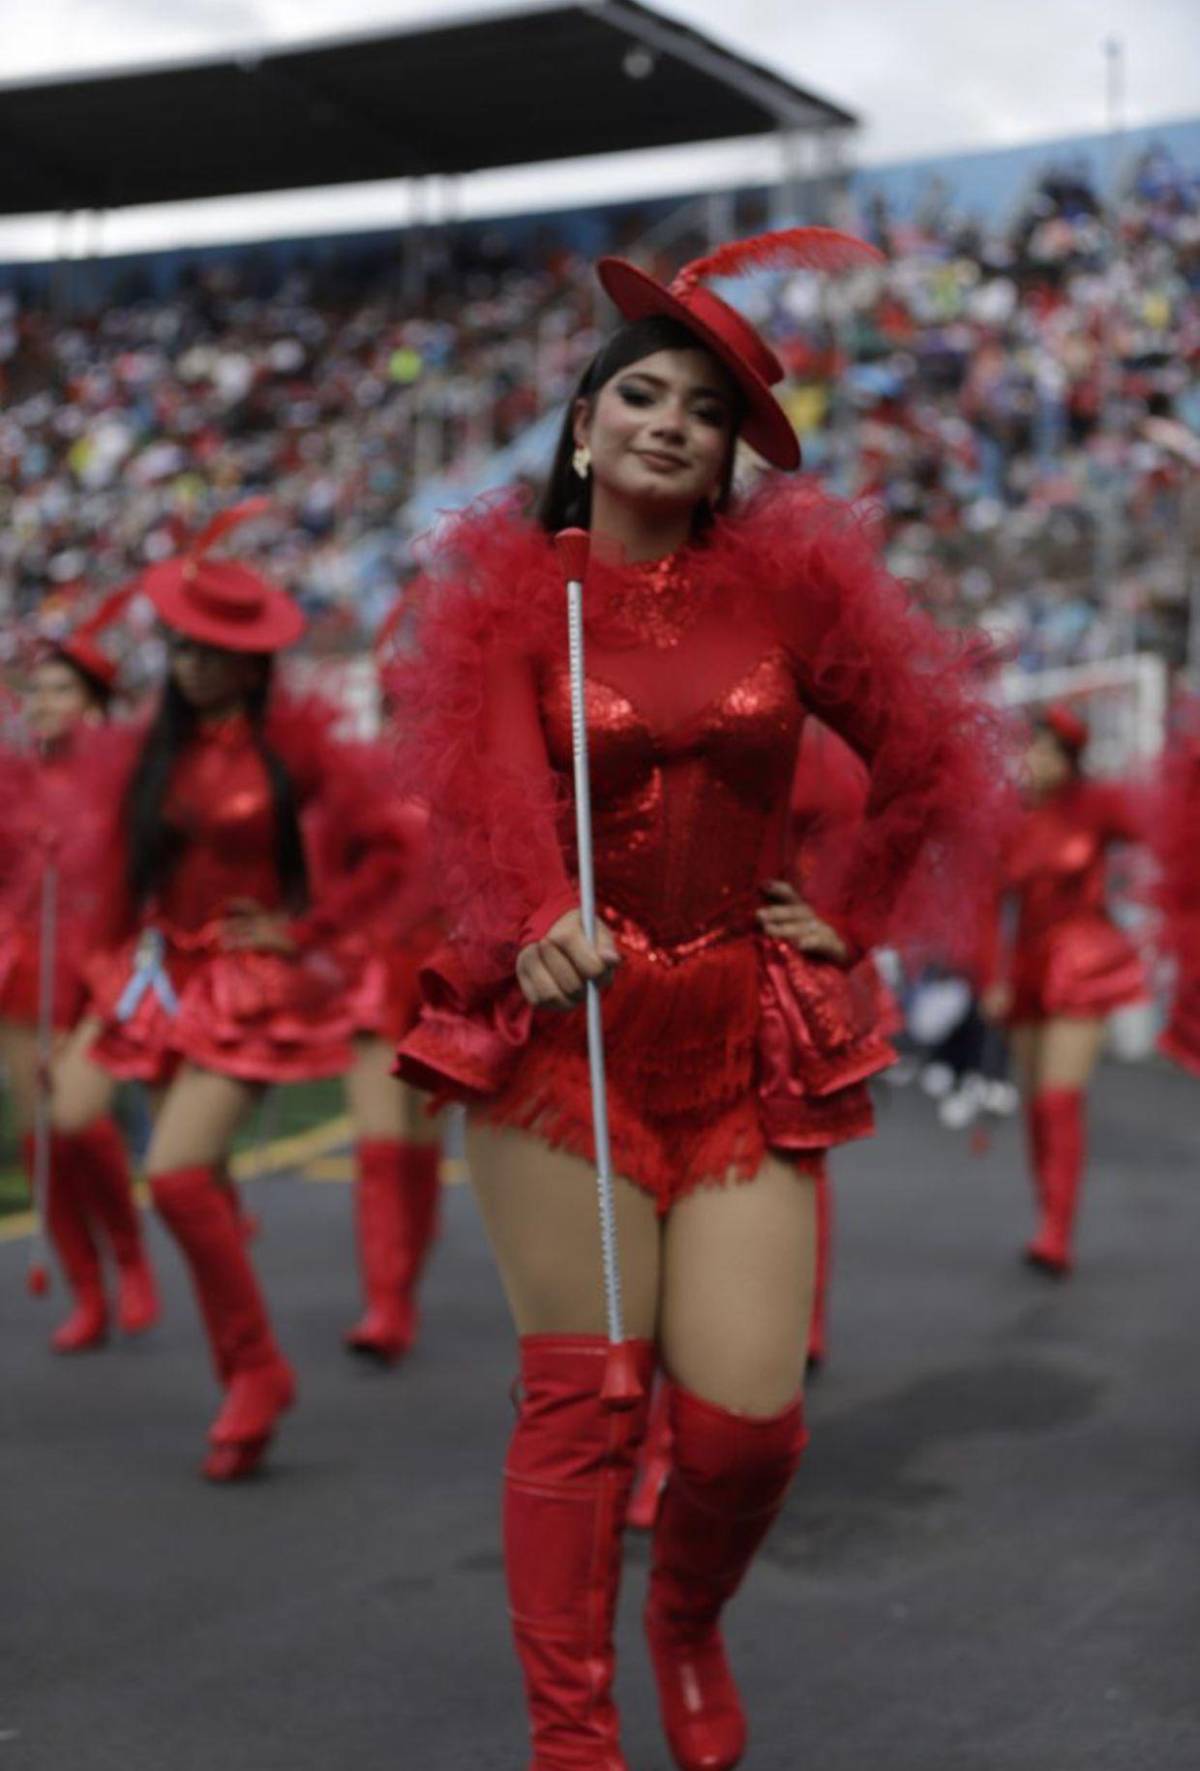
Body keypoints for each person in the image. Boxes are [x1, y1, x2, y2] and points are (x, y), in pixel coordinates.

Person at [391, 230, 1005, 1771]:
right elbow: (473, 784)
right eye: (642, 393)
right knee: (587, 1403)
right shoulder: (513, 600)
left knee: (746, 1426)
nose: (670, 420)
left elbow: (929, 753)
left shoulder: (792, 597)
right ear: (585, 424)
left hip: (741, 1033)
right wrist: (535, 910)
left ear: (730, 450)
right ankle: (573, 1740)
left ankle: (687, 1617)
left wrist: (851, 909)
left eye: (704, 408)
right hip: (566, 1041)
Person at [51, 509, 361, 1481]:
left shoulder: (295, 749)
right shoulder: (154, 754)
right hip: (161, 978)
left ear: (249, 661)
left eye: (210, 650)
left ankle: (260, 1370)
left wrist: (306, 931)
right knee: (158, 1160)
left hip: (253, 982)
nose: (189, 663)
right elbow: (119, 882)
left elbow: (389, 846)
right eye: (181, 646)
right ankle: (245, 1371)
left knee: (178, 1175)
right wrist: (85, 997)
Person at [0, 623, 159, 1352]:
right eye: (37, 688)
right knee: (40, 1138)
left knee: (79, 1117)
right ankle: (85, 1285)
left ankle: (130, 1258)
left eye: (62, 688)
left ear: (94, 703)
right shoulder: (12, 782)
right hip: (24, 969)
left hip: (100, 970)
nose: (44, 700)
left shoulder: (125, 778)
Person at [980, 706, 1146, 1275]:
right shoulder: (1010, 818)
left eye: (1048, 750)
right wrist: (991, 977)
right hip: (1027, 965)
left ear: (1070, 758)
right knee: (1034, 1105)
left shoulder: (1098, 806)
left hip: (1084, 961)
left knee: (1058, 1098)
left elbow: (1167, 833)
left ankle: (1057, 1231)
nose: (1036, 761)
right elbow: (988, 904)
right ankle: (1045, 1212)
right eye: (1031, 749)